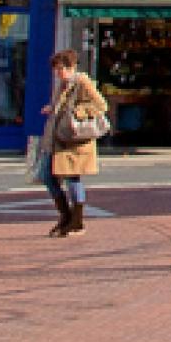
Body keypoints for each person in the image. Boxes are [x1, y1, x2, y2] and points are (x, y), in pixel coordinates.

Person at [41, 47, 108, 236]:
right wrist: (52, 108)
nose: (58, 72)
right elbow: (60, 106)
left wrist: (78, 112)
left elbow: (101, 105)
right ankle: (66, 216)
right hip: (57, 139)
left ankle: (76, 221)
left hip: (74, 142)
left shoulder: (82, 82)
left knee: (72, 178)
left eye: (61, 68)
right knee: (48, 176)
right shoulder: (61, 85)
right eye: (56, 69)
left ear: (72, 67)